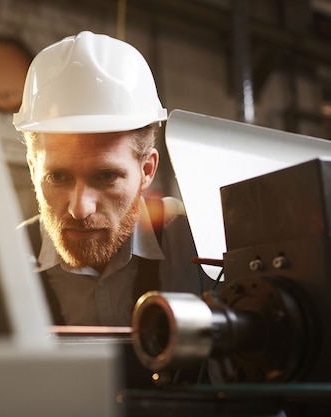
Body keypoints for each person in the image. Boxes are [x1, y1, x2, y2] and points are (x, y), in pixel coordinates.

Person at [13, 31, 212, 327]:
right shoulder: (6, 261)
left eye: (106, 176)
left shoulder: (200, 247)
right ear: (33, 169)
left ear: (146, 170)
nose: (80, 210)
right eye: (57, 176)